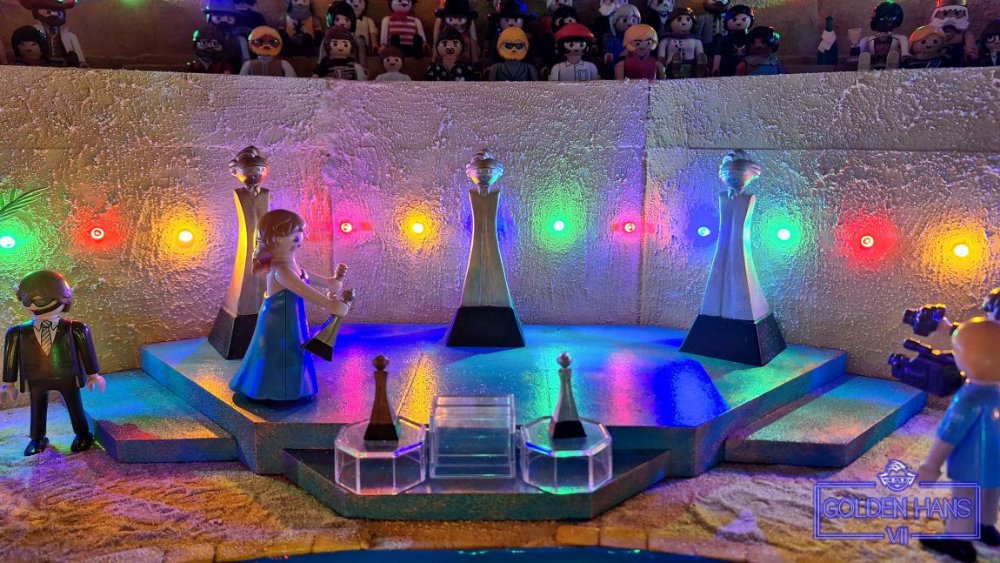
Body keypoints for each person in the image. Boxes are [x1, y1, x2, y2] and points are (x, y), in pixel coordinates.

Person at [228, 210, 351, 402]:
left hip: (293, 319)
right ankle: (275, 390)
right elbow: (302, 289)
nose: (298, 238)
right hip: (279, 323)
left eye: (299, 233)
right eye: (290, 234)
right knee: (282, 352)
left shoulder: (290, 265)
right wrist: (329, 304)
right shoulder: (281, 271)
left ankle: (294, 387)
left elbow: (304, 277)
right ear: (272, 240)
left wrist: (329, 283)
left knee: (295, 349)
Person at [918, 317, 1000, 562]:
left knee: (964, 496)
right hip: (996, 460)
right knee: (991, 491)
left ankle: (957, 540)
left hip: (969, 464)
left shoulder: (967, 399)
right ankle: (985, 525)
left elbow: (948, 434)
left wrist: (930, 466)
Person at [1, 271, 105, 456]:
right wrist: (9, 383)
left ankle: (83, 434)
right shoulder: (17, 332)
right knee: (37, 407)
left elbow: (86, 351)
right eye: (27, 300)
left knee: (74, 405)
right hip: (36, 376)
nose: (33, 305)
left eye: (41, 300)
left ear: (62, 298)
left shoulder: (75, 328)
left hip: (67, 373)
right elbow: (11, 357)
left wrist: (93, 374)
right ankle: (37, 438)